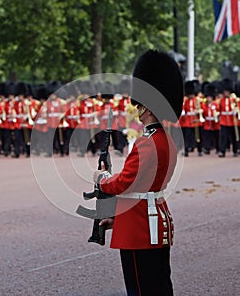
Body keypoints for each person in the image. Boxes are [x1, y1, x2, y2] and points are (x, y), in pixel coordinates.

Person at [93, 50, 183, 296]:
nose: (137, 111)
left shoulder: (146, 143)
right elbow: (145, 186)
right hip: (151, 221)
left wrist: (102, 181)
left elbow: (125, 182)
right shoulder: (165, 141)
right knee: (159, 286)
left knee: (141, 289)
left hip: (140, 229)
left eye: (140, 106)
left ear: (149, 109)